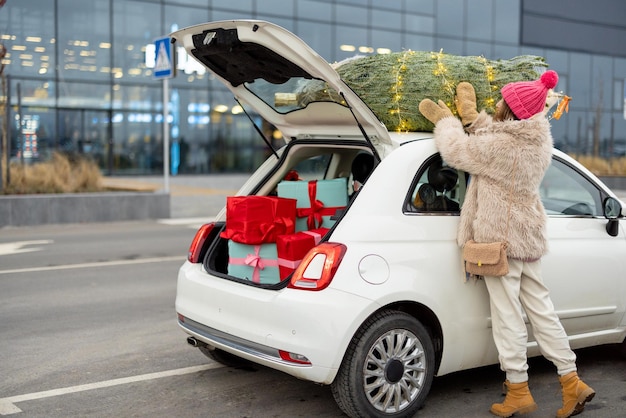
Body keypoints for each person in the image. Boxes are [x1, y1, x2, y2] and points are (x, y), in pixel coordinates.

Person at [418, 71, 595, 418]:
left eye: (502, 101)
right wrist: (474, 120)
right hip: (527, 237)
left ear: (512, 111)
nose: (497, 103)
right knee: (543, 312)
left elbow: (459, 152)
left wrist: (449, 123)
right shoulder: (538, 142)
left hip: (498, 240)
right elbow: (496, 141)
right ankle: (572, 382)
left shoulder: (501, 147)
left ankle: (518, 390)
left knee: (507, 317)